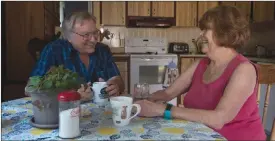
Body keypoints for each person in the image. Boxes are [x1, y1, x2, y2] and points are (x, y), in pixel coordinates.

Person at [134, 5, 266, 140]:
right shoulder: (201, 64)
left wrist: (162, 110)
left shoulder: (244, 69)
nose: (201, 34)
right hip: (200, 135)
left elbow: (218, 119)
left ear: (224, 32)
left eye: (206, 29)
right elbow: (168, 94)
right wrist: (144, 102)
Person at [29, 12, 124, 101]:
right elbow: (30, 88)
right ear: (69, 37)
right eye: (86, 35)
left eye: (95, 33)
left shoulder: (103, 50)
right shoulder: (54, 50)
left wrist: (116, 84)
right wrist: (73, 96)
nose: (93, 39)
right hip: (65, 113)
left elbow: (118, 79)